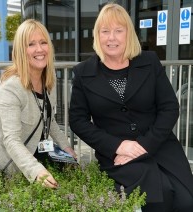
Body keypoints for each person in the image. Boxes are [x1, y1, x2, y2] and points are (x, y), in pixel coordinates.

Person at [69, 3, 193, 212]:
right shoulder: (84, 73)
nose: (112, 38)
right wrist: (118, 146)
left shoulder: (149, 61)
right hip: (116, 154)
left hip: (159, 145)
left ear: (129, 34)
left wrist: (143, 146)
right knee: (157, 198)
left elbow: (169, 107)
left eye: (119, 31)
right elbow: (77, 120)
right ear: (97, 36)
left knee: (186, 200)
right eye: (105, 31)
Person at [0, 19, 76, 188]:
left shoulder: (49, 79)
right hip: (5, 171)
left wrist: (67, 148)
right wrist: (36, 171)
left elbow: (50, 121)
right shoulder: (11, 87)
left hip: (34, 158)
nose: (39, 49)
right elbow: (11, 139)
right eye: (31, 44)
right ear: (20, 50)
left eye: (43, 42)